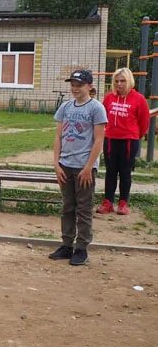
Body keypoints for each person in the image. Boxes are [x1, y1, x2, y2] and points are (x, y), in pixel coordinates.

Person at [48, 69, 107, 266]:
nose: (75, 88)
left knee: (83, 208)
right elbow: (58, 136)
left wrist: (89, 166)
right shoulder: (66, 107)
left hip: (84, 167)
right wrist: (56, 163)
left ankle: (81, 248)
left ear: (89, 86)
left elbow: (99, 140)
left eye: (79, 85)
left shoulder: (96, 108)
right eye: (73, 84)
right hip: (66, 164)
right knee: (67, 207)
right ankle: (66, 244)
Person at [96, 68, 150, 215]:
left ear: (129, 81)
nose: (119, 84)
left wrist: (134, 136)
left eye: (122, 81)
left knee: (125, 172)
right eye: (117, 81)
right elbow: (102, 117)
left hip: (129, 141)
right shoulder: (109, 98)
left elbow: (144, 123)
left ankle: (123, 203)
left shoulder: (139, 99)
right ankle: (108, 202)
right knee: (110, 172)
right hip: (111, 140)